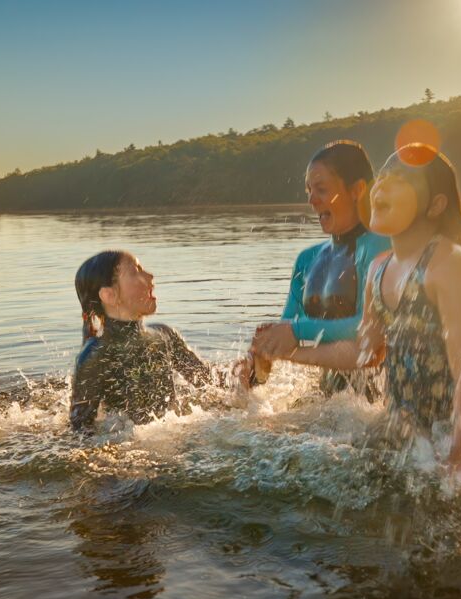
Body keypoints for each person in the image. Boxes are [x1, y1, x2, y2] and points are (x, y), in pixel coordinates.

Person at [265, 145, 461, 473]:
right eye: (384, 177)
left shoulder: (447, 263)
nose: (383, 186)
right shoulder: (378, 268)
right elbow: (363, 354)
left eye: (401, 180)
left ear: (435, 205)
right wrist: (286, 353)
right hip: (409, 431)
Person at [249, 140, 391, 393]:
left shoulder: (380, 248)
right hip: (329, 404)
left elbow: (367, 328)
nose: (312, 200)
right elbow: (288, 328)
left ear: (357, 189)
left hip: (381, 401)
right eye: (308, 191)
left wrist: (295, 332)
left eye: (321, 189)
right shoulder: (307, 259)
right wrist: (263, 353)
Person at [69, 250, 215, 432]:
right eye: (135, 271)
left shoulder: (165, 335)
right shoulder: (96, 355)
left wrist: (253, 367)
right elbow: (80, 432)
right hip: (130, 449)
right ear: (109, 295)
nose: (150, 276)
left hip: (176, 440)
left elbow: (212, 385)